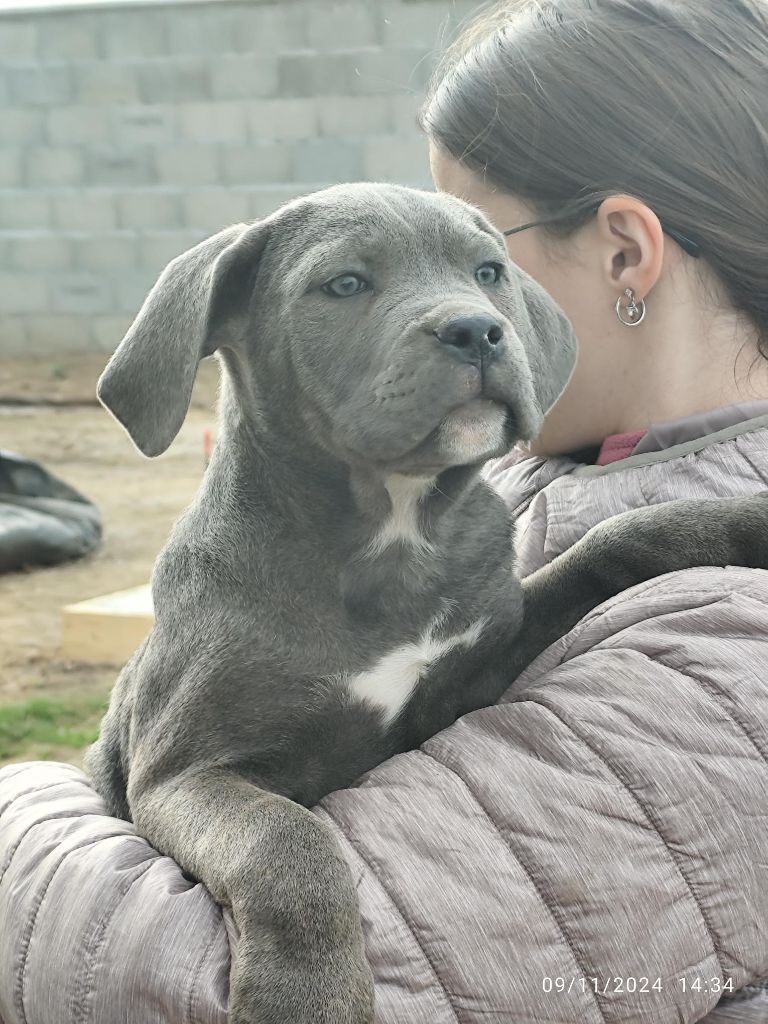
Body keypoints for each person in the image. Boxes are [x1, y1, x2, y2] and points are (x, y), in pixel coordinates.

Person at [1, 2, 766, 1022]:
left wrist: (19, 799)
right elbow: (197, 772)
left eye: (489, 260)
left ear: (628, 252)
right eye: (352, 282)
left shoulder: (716, 649)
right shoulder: (512, 491)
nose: (471, 315)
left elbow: (170, 980)